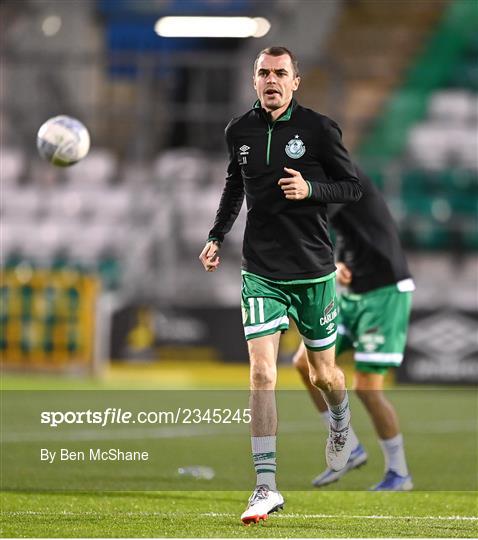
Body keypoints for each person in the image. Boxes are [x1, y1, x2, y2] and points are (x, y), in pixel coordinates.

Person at [199, 46, 362, 524]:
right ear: (254, 81)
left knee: (323, 376)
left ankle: (340, 421)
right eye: (264, 73)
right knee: (262, 374)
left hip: (313, 271)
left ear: (296, 81)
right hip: (261, 272)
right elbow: (235, 185)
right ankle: (265, 487)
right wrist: (216, 236)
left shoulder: (318, 129)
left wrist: (312, 190)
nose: (272, 80)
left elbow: (351, 187)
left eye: (280, 73)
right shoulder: (239, 130)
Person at [293, 166, 415, 491]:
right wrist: (339, 261)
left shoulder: (347, 177)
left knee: (367, 387)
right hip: (353, 290)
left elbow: (315, 218)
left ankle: (399, 472)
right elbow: (349, 231)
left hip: (385, 290)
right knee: (304, 363)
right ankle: (347, 446)